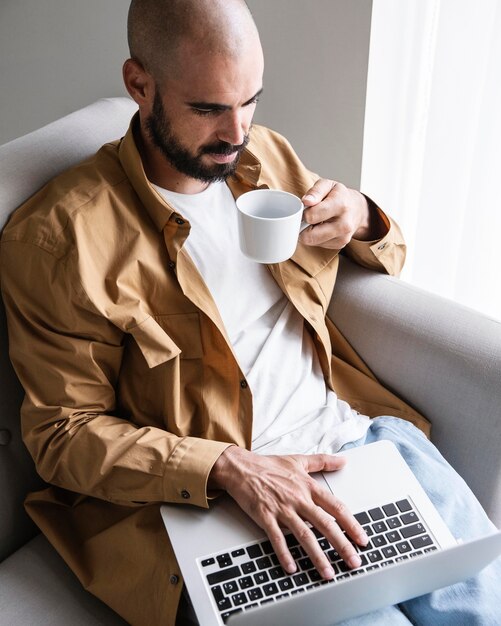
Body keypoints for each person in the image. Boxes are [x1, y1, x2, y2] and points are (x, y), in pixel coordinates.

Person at [0, 1, 499, 625]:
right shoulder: (61, 237)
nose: (237, 132)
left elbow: (390, 256)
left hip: (359, 439)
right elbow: (62, 434)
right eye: (208, 108)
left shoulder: (265, 159)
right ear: (138, 84)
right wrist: (228, 467)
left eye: (250, 101)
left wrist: (363, 216)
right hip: (222, 498)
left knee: (484, 607)